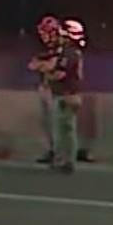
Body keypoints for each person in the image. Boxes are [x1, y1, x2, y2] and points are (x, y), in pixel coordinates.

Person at [48, 19, 86, 173]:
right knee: (70, 130)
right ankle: (69, 160)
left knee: (61, 130)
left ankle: (62, 160)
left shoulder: (68, 53)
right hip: (74, 94)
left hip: (65, 94)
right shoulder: (76, 52)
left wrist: (47, 74)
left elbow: (60, 74)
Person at [28, 15, 61, 163]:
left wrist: (43, 65)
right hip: (45, 87)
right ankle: (51, 150)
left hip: (57, 90)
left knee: (56, 122)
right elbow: (32, 65)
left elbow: (51, 66)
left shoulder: (60, 48)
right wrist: (44, 65)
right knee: (47, 122)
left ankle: (58, 152)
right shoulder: (44, 50)